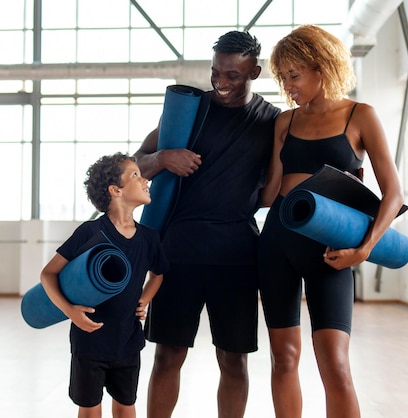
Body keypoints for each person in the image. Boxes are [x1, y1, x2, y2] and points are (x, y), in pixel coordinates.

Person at [258, 25, 404, 418]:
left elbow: (394, 194)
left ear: (321, 68)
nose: (288, 85)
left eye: (295, 75)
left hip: (331, 248)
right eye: (283, 76)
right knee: (283, 357)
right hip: (277, 243)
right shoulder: (284, 122)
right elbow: (270, 193)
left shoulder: (361, 115)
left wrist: (364, 249)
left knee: (335, 364)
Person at [134, 31, 281, 418]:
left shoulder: (272, 121)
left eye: (233, 74)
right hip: (179, 250)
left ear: (255, 71)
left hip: (236, 254)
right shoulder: (190, 110)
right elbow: (136, 164)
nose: (221, 82)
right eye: (216, 71)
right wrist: (165, 157)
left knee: (234, 359)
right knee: (168, 354)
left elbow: (283, 182)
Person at [40, 152, 169, 418]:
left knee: (125, 405)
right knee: (89, 408)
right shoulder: (90, 232)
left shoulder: (149, 238)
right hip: (90, 341)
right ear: (115, 190)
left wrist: (143, 300)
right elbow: (48, 274)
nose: (146, 180)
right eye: (135, 175)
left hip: (128, 340)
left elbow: (158, 274)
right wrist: (70, 311)